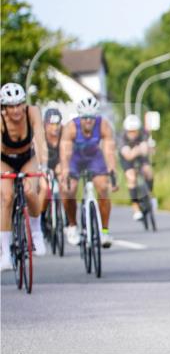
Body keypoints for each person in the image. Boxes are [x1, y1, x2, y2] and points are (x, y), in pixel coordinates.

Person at [0, 82, 50, 270]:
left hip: (27, 157)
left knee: (30, 191)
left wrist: (44, 165)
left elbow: (39, 138)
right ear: (4, 107)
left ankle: (36, 231)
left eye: (19, 104)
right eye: (11, 106)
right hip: (4, 159)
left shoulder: (33, 112)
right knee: (6, 197)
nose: (16, 110)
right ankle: (5, 252)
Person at [59, 97, 118, 248]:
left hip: (94, 157)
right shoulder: (70, 127)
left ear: (96, 117)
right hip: (75, 158)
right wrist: (65, 171)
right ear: (80, 117)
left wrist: (112, 171)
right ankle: (72, 225)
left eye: (91, 118)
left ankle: (104, 231)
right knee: (68, 190)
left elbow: (109, 151)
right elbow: (65, 153)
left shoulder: (103, 125)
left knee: (103, 188)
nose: (88, 121)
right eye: (85, 118)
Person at [119, 114, 155, 221]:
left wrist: (147, 148)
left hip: (140, 157)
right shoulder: (121, 137)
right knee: (131, 177)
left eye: (135, 131)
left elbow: (151, 149)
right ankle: (135, 207)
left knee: (148, 171)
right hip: (126, 159)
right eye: (130, 131)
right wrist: (140, 148)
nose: (133, 134)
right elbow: (128, 155)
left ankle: (150, 194)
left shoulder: (144, 133)